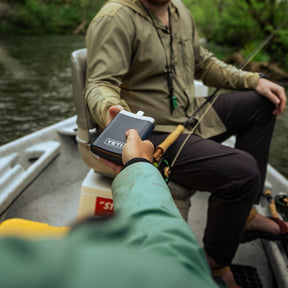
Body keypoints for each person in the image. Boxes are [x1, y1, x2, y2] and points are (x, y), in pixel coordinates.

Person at [84, 0, 287, 287]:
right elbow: (99, 83)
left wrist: (253, 80)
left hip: (190, 114)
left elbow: (203, 64)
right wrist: (112, 111)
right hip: (152, 134)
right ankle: (216, 263)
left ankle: (244, 215)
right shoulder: (116, 17)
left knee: (262, 103)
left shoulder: (179, 10)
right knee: (243, 170)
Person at [0, 129, 218, 288]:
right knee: (243, 171)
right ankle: (219, 265)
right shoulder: (174, 276)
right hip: (144, 154)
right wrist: (138, 165)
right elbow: (173, 263)